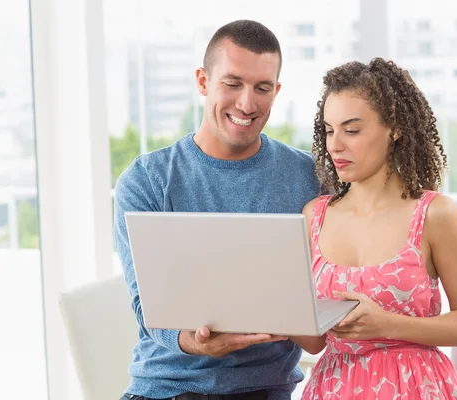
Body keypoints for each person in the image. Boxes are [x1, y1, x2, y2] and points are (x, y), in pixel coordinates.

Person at [114, 20, 320, 400]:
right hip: (165, 388)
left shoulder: (308, 177)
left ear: (276, 91)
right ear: (203, 82)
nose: (247, 103)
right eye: (232, 83)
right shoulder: (146, 180)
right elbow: (147, 309)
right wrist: (193, 341)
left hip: (264, 388)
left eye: (262, 88)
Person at [292, 58, 457, 399]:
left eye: (351, 130)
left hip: (417, 387)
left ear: (394, 128)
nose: (335, 145)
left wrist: (388, 325)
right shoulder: (314, 216)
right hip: (333, 388)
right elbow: (314, 342)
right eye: (329, 129)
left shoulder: (434, 215)